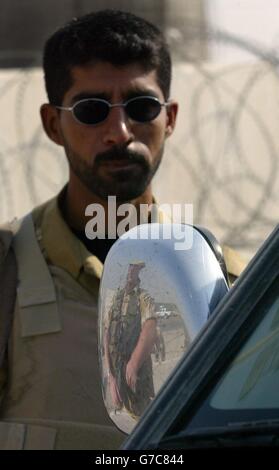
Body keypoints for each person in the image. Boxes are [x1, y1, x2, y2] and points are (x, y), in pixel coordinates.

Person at [0, 9, 245, 449]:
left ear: (169, 118)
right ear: (53, 124)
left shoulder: (223, 281)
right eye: (92, 110)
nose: (119, 132)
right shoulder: (8, 270)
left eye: (142, 107)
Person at [104, 261, 157, 419]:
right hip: (117, 372)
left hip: (136, 374)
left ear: (140, 271)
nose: (130, 270)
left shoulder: (143, 297)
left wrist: (133, 364)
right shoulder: (117, 299)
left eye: (135, 267)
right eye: (129, 266)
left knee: (142, 417)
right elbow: (107, 334)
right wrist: (111, 376)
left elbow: (150, 327)